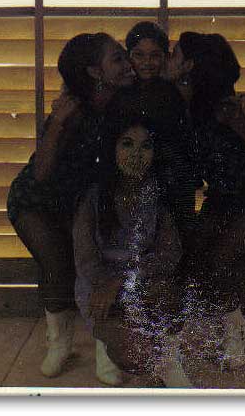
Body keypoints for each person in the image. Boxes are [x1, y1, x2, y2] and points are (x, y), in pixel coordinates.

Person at [6, 33, 135, 381]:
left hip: (85, 202)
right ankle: (59, 344)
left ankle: (107, 350)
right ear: (95, 72)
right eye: (117, 59)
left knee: (100, 266)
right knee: (57, 266)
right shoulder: (72, 110)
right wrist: (59, 122)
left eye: (125, 56)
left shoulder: (126, 101)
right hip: (37, 201)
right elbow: (41, 173)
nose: (128, 65)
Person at [174, 32, 245, 370]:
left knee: (220, 261)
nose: (169, 58)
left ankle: (235, 337)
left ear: (190, 65)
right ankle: (235, 330)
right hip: (222, 197)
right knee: (197, 257)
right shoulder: (184, 103)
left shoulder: (226, 108)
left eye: (175, 53)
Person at [73, 115, 192, 387]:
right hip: (101, 287)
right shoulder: (93, 197)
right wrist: (109, 285)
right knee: (132, 353)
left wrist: (123, 280)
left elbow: (170, 253)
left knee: (170, 299)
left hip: (140, 281)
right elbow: (86, 259)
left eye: (145, 146)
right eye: (127, 144)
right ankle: (109, 345)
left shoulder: (158, 194)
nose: (136, 154)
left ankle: (168, 364)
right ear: (112, 149)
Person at [106, 22, 201, 241]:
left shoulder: (176, 89)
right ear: (129, 56)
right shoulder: (122, 90)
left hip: (173, 179)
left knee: (174, 238)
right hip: (133, 177)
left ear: (165, 57)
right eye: (138, 55)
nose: (146, 63)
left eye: (155, 56)